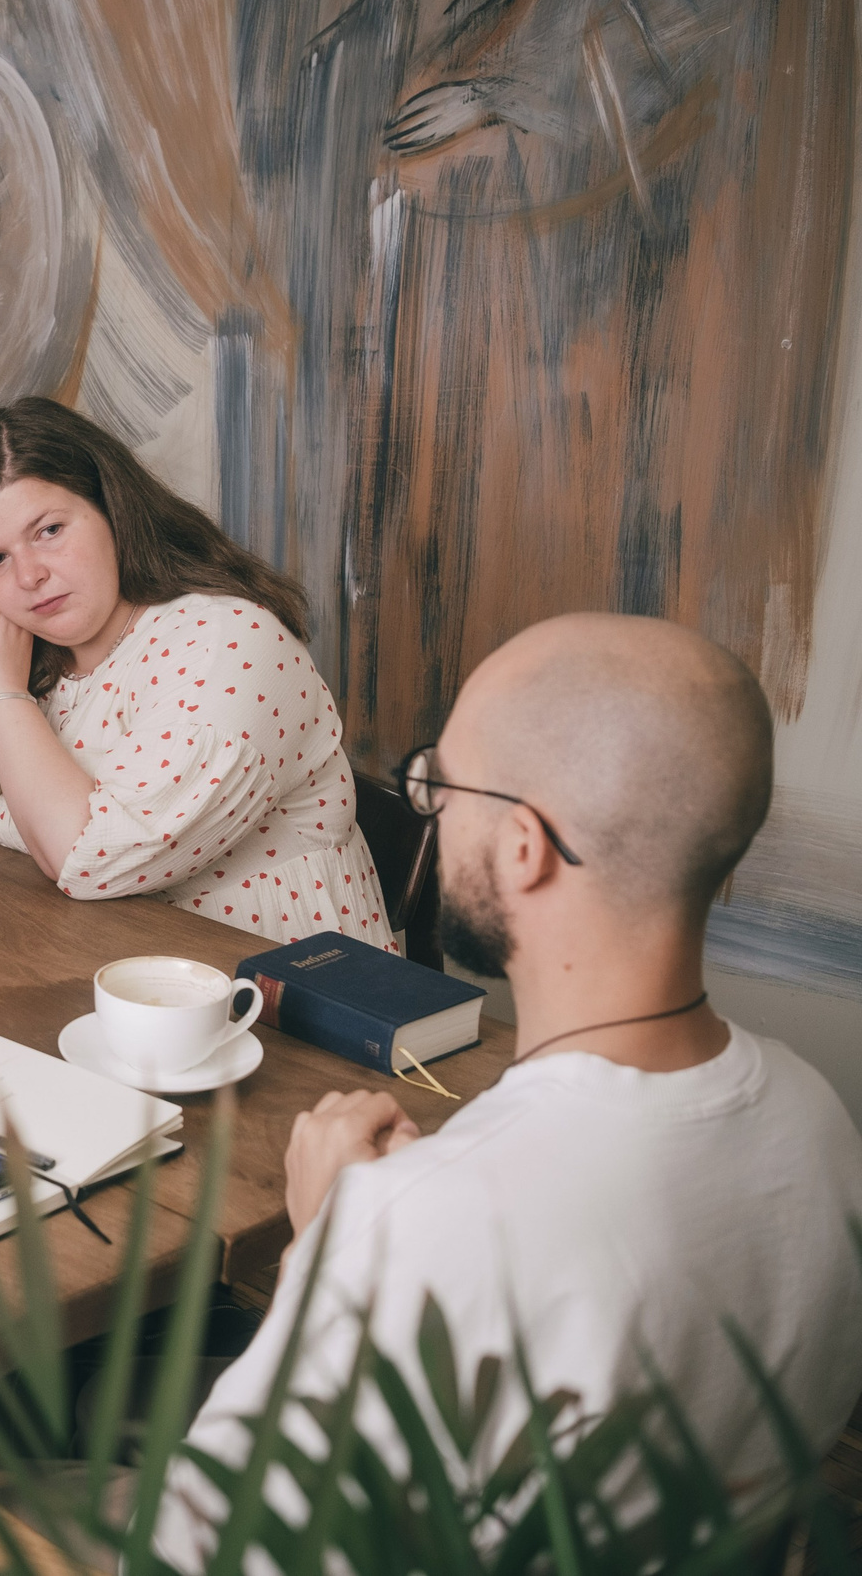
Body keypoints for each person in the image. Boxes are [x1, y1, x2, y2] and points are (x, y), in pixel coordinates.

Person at [154, 614, 862, 1564]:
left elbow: (191, 1551)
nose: (432, 811)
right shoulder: (821, 1121)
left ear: (525, 846)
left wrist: (323, 1258)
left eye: (439, 784)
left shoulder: (432, 1225)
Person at [0, 397, 392, 947]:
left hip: (277, 981)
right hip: (99, 963)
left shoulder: (228, 642)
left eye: (50, 530)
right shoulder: (25, 650)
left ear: (112, 509)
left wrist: (4, 694)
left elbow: (89, 858)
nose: (30, 576)